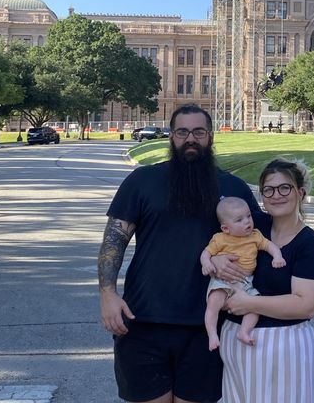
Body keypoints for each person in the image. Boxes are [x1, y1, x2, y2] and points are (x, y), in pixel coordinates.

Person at [98, 104, 267, 403]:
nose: (191, 138)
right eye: (182, 132)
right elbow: (114, 239)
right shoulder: (142, 182)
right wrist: (108, 294)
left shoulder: (233, 187)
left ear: (211, 136)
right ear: (171, 136)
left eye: (199, 132)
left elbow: (259, 244)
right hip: (142, 322)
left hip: (208, 328)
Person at [219, 158, 314, 403]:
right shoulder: (252, 227)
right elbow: (217, 244)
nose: (276, 195)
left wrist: (249, 304)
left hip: (284, 346)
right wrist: (216, 261)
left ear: (300, 192)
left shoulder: (309, 244)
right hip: (234, 342)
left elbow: (306, 306)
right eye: (268, 189)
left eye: (285, 188)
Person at [201, 196, 285, 351]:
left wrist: (277, 256)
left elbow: (269, 245)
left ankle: (244, 332)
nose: (247, 222)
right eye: (239, 220)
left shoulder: (255, 235)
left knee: (255, 305)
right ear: (226, 228)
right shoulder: (220, 239)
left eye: (248, 216)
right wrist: (207, 263)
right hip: (223, 280)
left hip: (245, 281)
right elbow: (206, 253)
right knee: (214, 302)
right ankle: (212, 334)